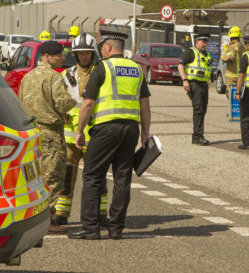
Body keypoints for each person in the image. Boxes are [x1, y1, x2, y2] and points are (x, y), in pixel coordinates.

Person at [68, 30, 151, 240]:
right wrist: (145, 134)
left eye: (101, 47)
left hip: (105, 129)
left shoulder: (102, 67)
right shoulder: (137, 69)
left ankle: (91, 229)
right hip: (131, 129)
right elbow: (145, 105)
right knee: (123, 178)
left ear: (108, 47)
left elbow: (87, 103)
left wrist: (80, 131)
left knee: (92, 176)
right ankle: (116, 229)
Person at [18, 40, 77, 234]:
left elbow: (20, 102)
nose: (62, 58)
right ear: (47, 57)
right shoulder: (54, 77)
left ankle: (30, 217)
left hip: (32, 132)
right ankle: (47, 221)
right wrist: (74, 101)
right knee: (52, 178)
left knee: (33, 177)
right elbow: (63, 103)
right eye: (59, 55)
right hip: (51, 133)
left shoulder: (27, 77)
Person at [53, 33, 110, 227]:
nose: (84, 57)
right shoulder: (67, 74)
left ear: (93, 53)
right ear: (75, 54)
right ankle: (61, 213)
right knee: (68, 175)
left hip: (95, 134)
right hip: (71, 136)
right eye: (80, 53)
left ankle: (101, 213)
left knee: (97, 177)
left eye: (87, 53)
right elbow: (59, 100)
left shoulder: (101, 71)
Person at [177, 34, 213, 146]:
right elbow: (180, 65)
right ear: (197, 42)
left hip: (203, 85)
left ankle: (197, 135)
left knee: (203, 110)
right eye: (203, 42)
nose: (205, 44)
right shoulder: (190, 52)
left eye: (206, 42)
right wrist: (184, 80)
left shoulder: (206, 54)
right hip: (194, 84)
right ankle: (198, 136)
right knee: (198, 109)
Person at [220, 26, 246, 95]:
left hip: (232, 77)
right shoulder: (242, 46)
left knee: (232, 98)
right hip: (241, 76)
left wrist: (223, 55)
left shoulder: (232, 46)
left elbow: (229, 58)